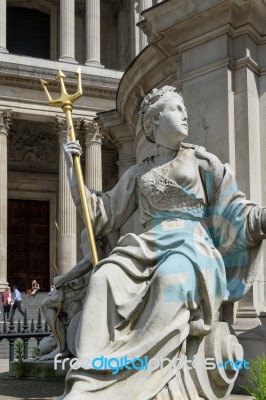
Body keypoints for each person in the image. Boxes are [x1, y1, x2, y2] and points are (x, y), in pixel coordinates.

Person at [55, 86, 266, 400]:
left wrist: (260, 219)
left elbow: (233, 211)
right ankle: (89, 379)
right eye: (176, 109)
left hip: (191, 248)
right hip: (146, 246)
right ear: (154, 122)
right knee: (103, 279)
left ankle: (141, 376)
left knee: (171, 279)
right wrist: (75, 175)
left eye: (184, 109)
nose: (185, 115)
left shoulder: (202, 162)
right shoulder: (141, 173)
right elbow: (103, 213)